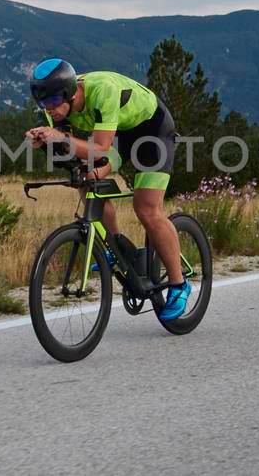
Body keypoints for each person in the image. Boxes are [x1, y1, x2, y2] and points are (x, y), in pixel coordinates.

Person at [24, 58, 190, 320]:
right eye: (44, 104)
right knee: (86, 178)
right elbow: (66, 153)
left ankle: (180, 285)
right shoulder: (54, 106)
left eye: (54, 101)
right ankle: (117, 248)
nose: (50, 109)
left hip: (152, 132)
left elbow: (100, 149)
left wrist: (61, 137)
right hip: (117, 133)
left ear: (69, 92)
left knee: (146, 208)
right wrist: (43, 143)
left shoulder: (103, 91)